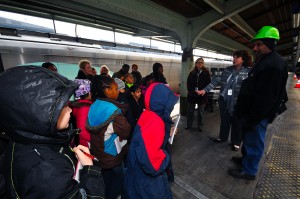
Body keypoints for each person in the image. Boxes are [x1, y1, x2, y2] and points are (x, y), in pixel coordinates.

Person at [0, 66, 104, 198]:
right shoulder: (46, 170)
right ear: (38, 114)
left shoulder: (24, 140)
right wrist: (90, 170)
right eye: (63, 106)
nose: (70, 110)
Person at [229, 26, 288, 180]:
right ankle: (245, 160)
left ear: (270, 43)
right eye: (255, 44)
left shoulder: (273, 65)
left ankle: (249, 171)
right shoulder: (265, 60)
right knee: (249, 139)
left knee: (255, 141)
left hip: (257, 114)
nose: (255, 48)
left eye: (259, 44)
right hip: (251, 112)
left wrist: (254, 118)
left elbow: (267, 97)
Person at [123, 83, 178, 199]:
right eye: (169, 104)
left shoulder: (148, 114)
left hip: (136, 175)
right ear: (161, 104)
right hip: (147, 184)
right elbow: (153, 165)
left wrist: (168, 133)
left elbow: (148, 142)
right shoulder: (155, 123)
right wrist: (165, 156)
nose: (172, 107)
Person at [198, 50, 252, 151]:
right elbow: (216, 80)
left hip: (239, 102)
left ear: (243, 59)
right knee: (225, 120)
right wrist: (204, 90)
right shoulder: (227, 70)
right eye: (234, 57)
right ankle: (223, 137)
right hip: (224, 100)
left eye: (237, 57)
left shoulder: (248, 71)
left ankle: (236, 142)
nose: (234, 59)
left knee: (237, 122)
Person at [87, 75, 131, 199]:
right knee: (119, 179)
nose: (118, 91)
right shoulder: (113, 109)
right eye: (115, 89)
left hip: (98, 150)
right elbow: (125, 131)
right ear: (107, 91)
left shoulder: (95, 104)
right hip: (111, 153)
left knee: (106, 178)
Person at [185, 58, 211, 132]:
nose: (200, 64)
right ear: (196, 64)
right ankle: (189, 125)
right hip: (192, 95)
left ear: (203, 64)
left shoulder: (206, 73)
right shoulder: (192, 73)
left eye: (201, 62)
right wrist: (192, 91)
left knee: (200, 112)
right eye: (198, 62)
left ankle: (200, 126)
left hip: (202, 95)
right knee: (190, 111)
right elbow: (188, 84)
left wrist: (203, 91)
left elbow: (208, 84)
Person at [69, 79, 92, 148]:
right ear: (87, 92)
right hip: (85, 144)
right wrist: (95, 140)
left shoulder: (78, 105)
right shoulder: (84, 108)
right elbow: (83, 131)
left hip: (80, 142)